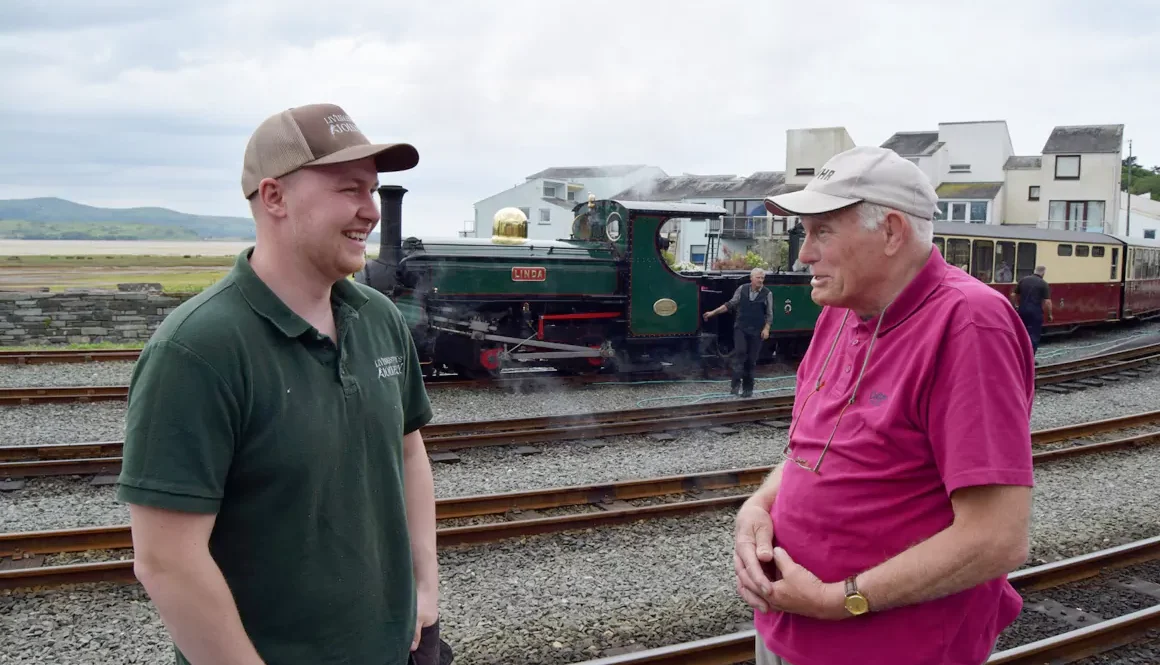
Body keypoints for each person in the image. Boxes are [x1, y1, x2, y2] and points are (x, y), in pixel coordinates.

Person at [115, 103, 447, 665]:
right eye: (349, 189)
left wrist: (425, 589)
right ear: (274, 197)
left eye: (372, 190)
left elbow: (408, 451)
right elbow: (166, 560)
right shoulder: (197, 349)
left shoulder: (380, 319)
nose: (370, 211)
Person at [733, 145, 1035, 665]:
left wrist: (839, 599)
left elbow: (996, 537)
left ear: (892, 231)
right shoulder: (841, 310)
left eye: (822, 232)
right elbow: (811, 452)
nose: (804, 255)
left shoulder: (968, 324)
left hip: (889, 648)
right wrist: (757, 507)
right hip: (787, 630)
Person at [704, 267, 773, 397]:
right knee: (740, 353)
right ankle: (735, 386)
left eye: (762, 278)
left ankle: (748, 389)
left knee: (751, 360)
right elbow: (730, 304)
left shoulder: (767, 293)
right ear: (751, 278)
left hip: (757, 330)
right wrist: (713, 313)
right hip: (741, 327)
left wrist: (766, 328)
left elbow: (769, 314)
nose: (760, 280)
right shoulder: (742, 289)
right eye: (758, 278)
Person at [1011, 265, 1053, 354]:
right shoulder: (1043, 284)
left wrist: (1015, 306)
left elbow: (1013, 295)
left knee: (1021, 333)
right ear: (1043, 273)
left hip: (1022, 310)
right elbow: (1047, 302)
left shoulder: (1023, 280)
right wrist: (1049, 314)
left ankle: (1019, 355)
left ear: (1034, 271)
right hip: (1035, 312)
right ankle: (1030, 357)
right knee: (1034, 335)